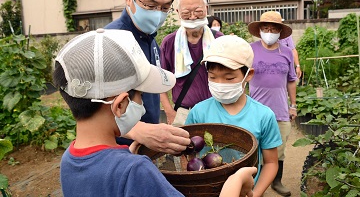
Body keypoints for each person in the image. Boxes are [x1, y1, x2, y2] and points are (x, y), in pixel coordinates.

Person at [54, 28, 257, 197]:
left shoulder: (69, 161)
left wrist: (126, 156)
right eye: (140, 95)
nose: (142, 104)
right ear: (120, 104)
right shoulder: (136, 171)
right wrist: (236, 182)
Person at [104, 0, 188, 152]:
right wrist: (138, 130)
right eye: (150, 5)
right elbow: (91, 108)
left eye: (165, 7)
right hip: (118, 148)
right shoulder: (112, 41)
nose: (157, 14)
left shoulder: (150, 38)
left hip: (146, 144)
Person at [185, 35, 282, 197]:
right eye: (212, 77)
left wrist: (255, 194)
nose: (220, 84)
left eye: (229, 78)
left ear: (248, 75)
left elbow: (271, 163)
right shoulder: (198, 112)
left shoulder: (264, 115)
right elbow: (188, 155)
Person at [247, 11, 297, 196]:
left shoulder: (287, 53)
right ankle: (253, 183)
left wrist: (294, 105)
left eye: (273, 29)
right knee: (254, 148)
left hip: (280, 110)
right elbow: (241, 77)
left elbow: (291, 80)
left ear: (279, 31)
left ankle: (277, 182)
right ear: (260, 30)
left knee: (279, 149)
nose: (269, 31)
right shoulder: (250, 49)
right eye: (266, 28)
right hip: (255, 110)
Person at [160, 0, 223, 126]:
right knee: (184, 148)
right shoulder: (170, 42)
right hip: (183, 113)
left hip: (216, 110)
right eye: (187, 13)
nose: (193, 17)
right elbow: (161, 82)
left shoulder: (219, 39)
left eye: (198, 11)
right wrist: (170, 112)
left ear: (206, 9)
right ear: (178, 13)